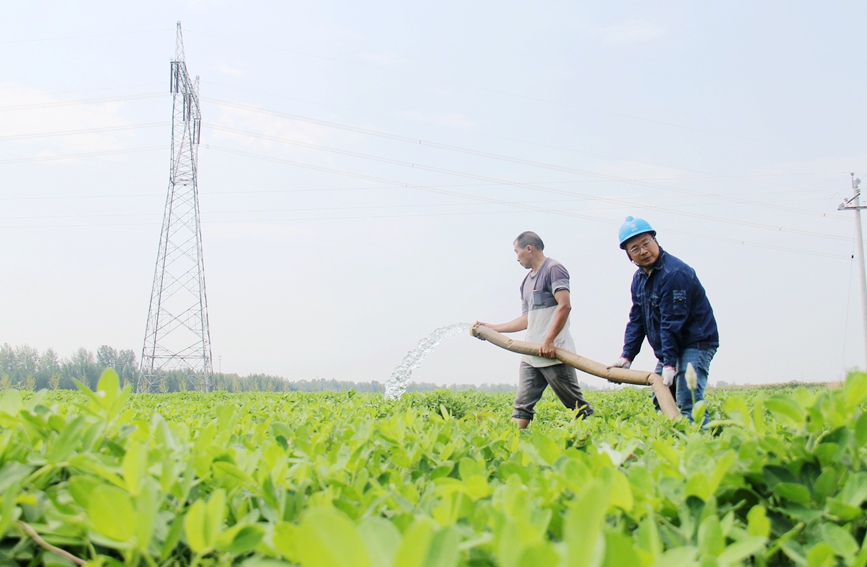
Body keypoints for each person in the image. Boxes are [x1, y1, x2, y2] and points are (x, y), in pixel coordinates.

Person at [477, 231, 594, 428]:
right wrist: (493, 328)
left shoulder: (554, 269)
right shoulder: (526, 282)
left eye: (517, 251)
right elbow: (527, 320)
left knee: (577, 406)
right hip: (530, 354)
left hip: (554, 352)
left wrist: (548, 341)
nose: (517, 258)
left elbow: (564, 306)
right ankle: (511, 448)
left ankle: (598, 436)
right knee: (522, 406)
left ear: (528, 248)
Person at [610, 216, 719, 425]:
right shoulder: (639, 279)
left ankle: (703, 447)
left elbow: (672, 322)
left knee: (688, 399)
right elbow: (637, 319)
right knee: (661, 398)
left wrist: (669, 363)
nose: (643, 251)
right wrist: (627, 356)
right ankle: (676, 443)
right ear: (628, 255)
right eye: (635, 248)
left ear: (655, 241)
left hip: (695, 341)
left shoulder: (675, 273)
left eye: (646, 243)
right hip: (673, 345)